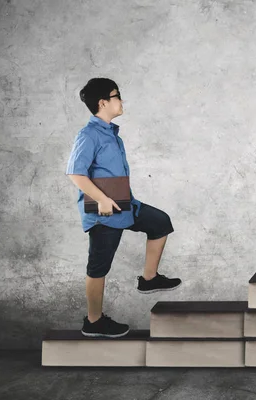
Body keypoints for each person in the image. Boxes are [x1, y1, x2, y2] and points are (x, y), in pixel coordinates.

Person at [65, 77, 181, 338]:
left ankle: (149, 279)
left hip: (125, 202)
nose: (121, 100)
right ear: (103, 102)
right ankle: (93, 321)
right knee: (99, 267)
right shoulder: (88, 134)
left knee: (160, 223)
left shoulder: (111, 134)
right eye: (117, 95)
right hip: (103, 210)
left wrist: (119, 198)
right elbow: (75, 174)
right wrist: (103, 200)